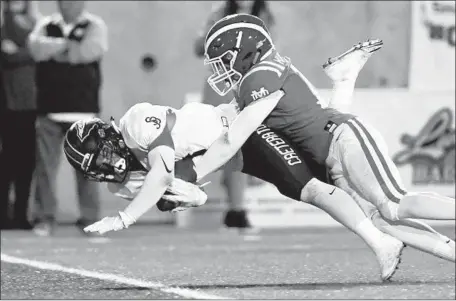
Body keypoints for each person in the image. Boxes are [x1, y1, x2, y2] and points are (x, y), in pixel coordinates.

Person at [64, 40, 453, 282]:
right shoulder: (126, 176)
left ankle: (380, 243)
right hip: (230, 150)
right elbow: (189, 191)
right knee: (338, 184)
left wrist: (126, 217)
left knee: (322, 186)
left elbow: (168, 168)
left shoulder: (137, 122)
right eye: (93, 166)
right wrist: (166, 192)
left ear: (106, 137)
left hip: (240, 135)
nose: (103, 166)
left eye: (98, 157)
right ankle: (413, 244)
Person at [192, 13, 455, 255]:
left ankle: (344, 78)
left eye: (225, 60)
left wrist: (193, 176)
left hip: (342, 139)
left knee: (393, 204)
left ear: (245, 53)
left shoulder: (259, 77)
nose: (221, 69)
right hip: (331, 149)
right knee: (380, 218)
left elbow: (231, 140)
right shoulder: (259, 75)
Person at [27, 0, 108, 236]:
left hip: (83, 111)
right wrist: (68, 46)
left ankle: (90, 219)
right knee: (45, 169)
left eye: (72, 2)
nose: (67, 6)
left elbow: (90, 51)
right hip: (49, 109)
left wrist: (57, 51)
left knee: (89, 170)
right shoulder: (46, 24)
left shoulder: (95, 25)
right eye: (63, 2)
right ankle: (45, 218)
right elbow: (36, 49)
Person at [194, 0, 275, 231]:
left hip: (250, 86)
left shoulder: (265, 16)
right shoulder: (219, 13)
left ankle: (236, 209)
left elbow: (269, 52)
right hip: (221, 88)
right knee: (228, 146)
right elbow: (199, 47)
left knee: (244, 149)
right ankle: (236, 209)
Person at [0, 0, 40, 230]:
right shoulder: (5, 24)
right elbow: (8, 55)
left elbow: (41, 52)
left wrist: (21, 52)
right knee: (7, 162)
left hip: (31, 104)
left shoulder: (37, 24)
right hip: (8, 104)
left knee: (26, 162)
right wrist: (29, 52)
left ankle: (20, 215)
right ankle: (4, 215)